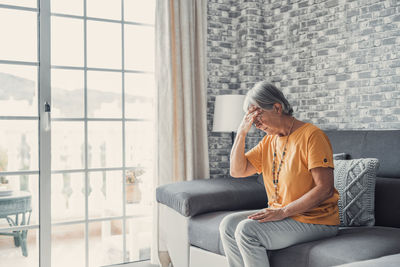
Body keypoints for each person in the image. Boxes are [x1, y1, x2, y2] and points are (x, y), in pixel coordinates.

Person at [219, 81, 340, 267]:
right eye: (251, 118)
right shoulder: (269, 141)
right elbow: (237, 171)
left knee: (246, 230)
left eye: (258, 116)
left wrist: (283, 211)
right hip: (284, 215)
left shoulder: (312, 136)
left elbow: (324, 189)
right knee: (228, 225)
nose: (256, 124)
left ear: (277, 107)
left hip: (316, 220)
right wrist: (242, 132)